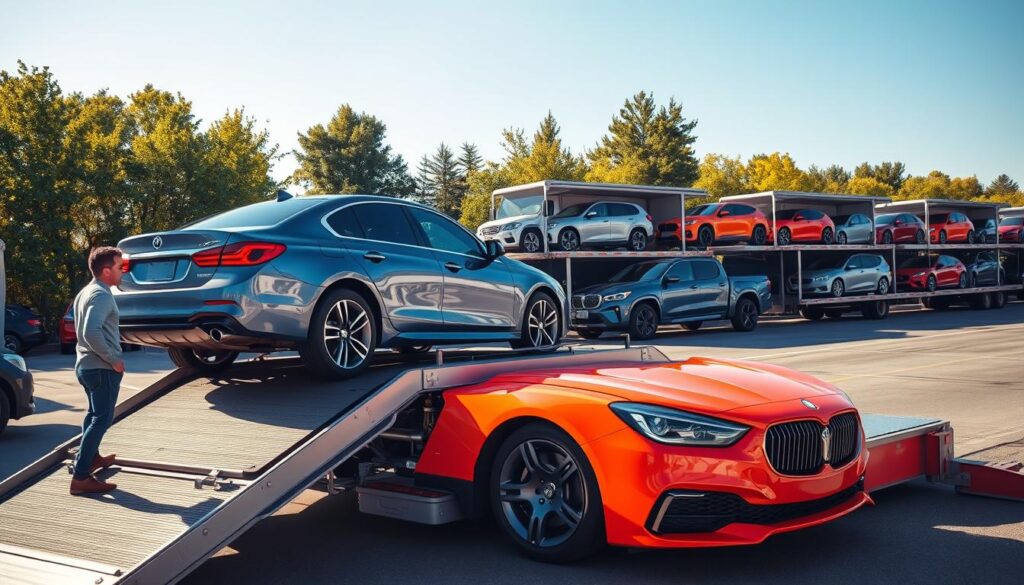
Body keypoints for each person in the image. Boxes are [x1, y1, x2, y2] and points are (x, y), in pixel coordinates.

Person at [69, 247, 126, 496]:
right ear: (106, 271)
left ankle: (91, 458)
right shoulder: (101, 295)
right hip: (100, 367)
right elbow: (91, 332)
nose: (122, 271)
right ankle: (81, 477)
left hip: (86, 366)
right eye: (119, 267)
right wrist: (113, 359)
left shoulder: (86, 291)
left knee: (94, 415)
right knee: (102, 419)